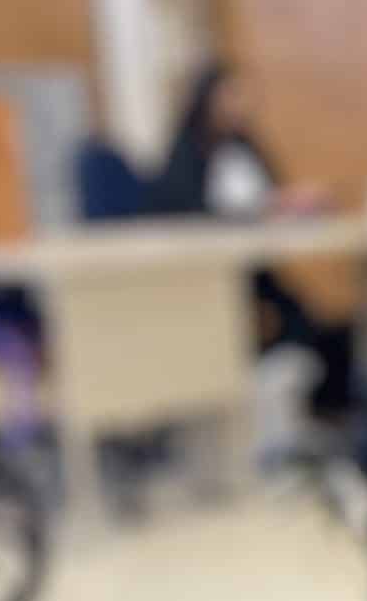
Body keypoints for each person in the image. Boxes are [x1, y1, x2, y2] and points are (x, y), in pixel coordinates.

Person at [152, 61, 355, 419]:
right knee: (274, 330)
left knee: (318, 325)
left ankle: (325, 413)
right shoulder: (187, 151)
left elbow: (270, 193)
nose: (240, 104)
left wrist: (291, 203)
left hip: (256, 266)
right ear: (209, 98)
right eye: (231, 94)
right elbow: (188, 213)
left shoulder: (245, 145)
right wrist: (261, 209)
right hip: (206, 278)